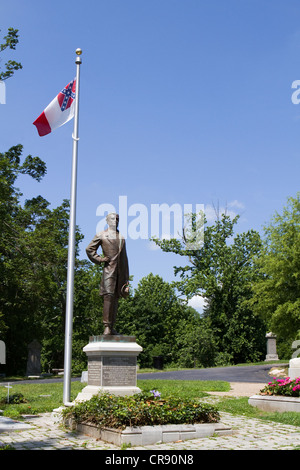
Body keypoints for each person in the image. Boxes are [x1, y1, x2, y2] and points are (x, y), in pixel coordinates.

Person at [86, 213, 129, 335]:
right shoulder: (101, 235)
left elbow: (125, 259)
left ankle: (112, 326)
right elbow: (89, 249)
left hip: (120, 273)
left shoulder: (121, 237)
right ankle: (107, 326)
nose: (115, 221)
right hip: (109, 271)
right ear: (107, 221)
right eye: (112, 219)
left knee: (115, 298)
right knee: (108, 297)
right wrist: (99, 259)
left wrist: (126, 279)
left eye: (117, 219)